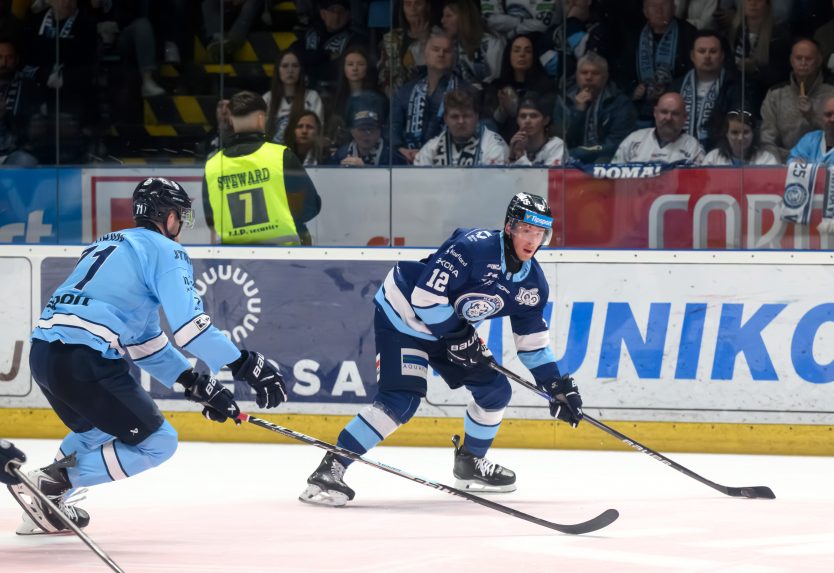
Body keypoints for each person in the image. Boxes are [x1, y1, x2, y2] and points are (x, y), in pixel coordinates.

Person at [9, 176, 288, 535]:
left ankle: (44, 507)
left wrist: (193, 382)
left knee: (94, 430)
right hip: (84, 359)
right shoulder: (165, 250)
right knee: (158, 443)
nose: (181, 224)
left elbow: (144, 341)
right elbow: (191, 327)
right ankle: (51, 484)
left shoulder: (109, 244)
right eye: (179, 215)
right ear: (165, 215)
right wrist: (243, 364)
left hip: (45, 357)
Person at [299, 192, 584, 506]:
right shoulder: (474, 247)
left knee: (495, 390)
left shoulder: (533, 286)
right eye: (526, 231)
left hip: (448, 328)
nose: (533, 240)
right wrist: (460, 337)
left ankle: (469, 464)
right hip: (403, 315)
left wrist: (555, 386)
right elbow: (425, 298)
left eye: (540, 233)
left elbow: (532, 345)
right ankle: (332, 467)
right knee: (401, 399)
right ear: (509, 227)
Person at [203, 91, 322, 246]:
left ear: (231, 120)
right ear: (261, 119)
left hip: (235, 263)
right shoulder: (281, 156)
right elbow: (311, 206)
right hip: (282, 261)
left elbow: (210, 219)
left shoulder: (213, 165)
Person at [617, 0, 697, 128]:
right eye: (653, 6)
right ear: (645, 12)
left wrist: (671, 89)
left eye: (664, 5)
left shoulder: (688, 34)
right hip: (640, 107)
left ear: (673, 8)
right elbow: (622, 72)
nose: (659, 10)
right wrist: (632, 90)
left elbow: (694, 72)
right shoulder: (634, 35)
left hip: (677, 104)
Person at [391, 32, 466, 163]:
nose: (441, 54)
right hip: (407, 160)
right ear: (425, 55)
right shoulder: (406, 90)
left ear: (454, 58)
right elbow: (393, 125)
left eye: (447, 51)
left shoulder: (466, 91)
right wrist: (400, 149)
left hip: (449, 160)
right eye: (436, 49)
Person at [552, 52, 637, 163]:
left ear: (605, 77)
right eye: (584, 73)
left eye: (595, 73)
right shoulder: (564, 101)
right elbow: (561, 140)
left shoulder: (620, 103)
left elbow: (617, 144)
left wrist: (579, 153)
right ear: (577, 76)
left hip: (608, 160)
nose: (588, 77)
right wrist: (578, 112)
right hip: (570, 161)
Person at [760, 39, 834, 162]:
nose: (803, 63)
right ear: (791, 60)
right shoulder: (776, 94)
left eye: (808, 59)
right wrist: (783, 164)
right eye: (799, 58)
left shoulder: (831, 93)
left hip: (825, 163)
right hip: (783, 163)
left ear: (819, 61)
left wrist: (812, 116)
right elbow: (767, 139)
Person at [671, 30, 746, 150]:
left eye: (713, 51)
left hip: (720, 154)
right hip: (676, 151)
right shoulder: (676, 86)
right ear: (692, 56)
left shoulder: (736, 86)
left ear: (722, 56)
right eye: (701, 51)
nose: (707, 56)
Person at [482, 34, 551, 141]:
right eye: (517, 50)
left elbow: (548, 121)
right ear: (509, 55)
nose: (522, 54)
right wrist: (502, 111)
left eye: (527, 51)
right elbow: (488, 125)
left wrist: (515, 110)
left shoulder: (545, 87)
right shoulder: (497, 87)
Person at [414, 88, 509, 166]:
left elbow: (494, 183)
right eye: (455, 116)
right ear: (445, 119)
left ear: (477, 117)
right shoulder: (431, 148)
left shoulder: (494, 145)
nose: (461, 121)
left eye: (467, 116)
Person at [612, 91, 705, 163]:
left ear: (685, 117)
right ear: (655, 113)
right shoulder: (634, 139)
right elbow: (613, 175)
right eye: (664, 112)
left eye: (675, 114)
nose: (668, 118)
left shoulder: (693, 147)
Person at [264, 50, 324, 144]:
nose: (290, 70)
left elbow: (317, 132)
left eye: (295, 66)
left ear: (301, 70)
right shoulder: (267, 98)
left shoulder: (312, 97)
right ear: (277, 70)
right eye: (285, 66)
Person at [441, 0, 505, 88]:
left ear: (464, 17)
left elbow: (494, 78)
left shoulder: (492, 41)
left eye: (448, 16)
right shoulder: (453, 46)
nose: (442, 20)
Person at [378, 0, 434, 97]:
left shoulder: (439, 38)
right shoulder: (391, 39)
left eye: (418, 3)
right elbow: (383, 77)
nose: (413, 8)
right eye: (408, 4)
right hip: (396, 99)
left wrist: (424, 42)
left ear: (427, 7)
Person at [702, 108, 780, 164]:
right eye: (735, 132)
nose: (740, 138)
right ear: (726, 133)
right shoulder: (712, 158)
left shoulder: (767, 159)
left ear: (753, 133)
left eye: (746, 132)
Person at [508, 93, 566, 166]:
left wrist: (520, 155)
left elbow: (544, 177)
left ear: (546, 120)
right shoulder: (515, 144)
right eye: (523, 116)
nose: (527, 121)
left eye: (533, 116)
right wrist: (512, 156)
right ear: (517, 120)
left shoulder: (556, 145)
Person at [329, 108, 393, 166]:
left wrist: (365, 168)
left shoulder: (391, 155)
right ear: (352, 132)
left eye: (371, 129)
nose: (367, 134)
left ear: (379, 132)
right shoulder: (341, 154)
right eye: (362, 129)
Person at [787, 94, 834, 164]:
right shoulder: (810, 140)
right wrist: (795, 163)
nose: (832, 119)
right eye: (828, 114)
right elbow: (791, 162)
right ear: (821, 117)